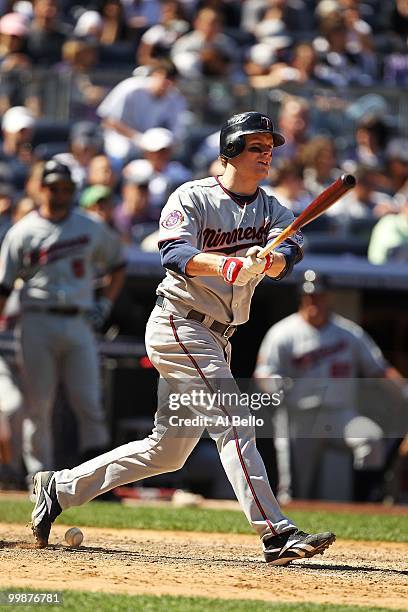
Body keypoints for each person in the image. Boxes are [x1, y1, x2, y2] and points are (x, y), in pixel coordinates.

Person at [29, 111, 335, 566]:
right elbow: (174, 253)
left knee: (167, 451)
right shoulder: (192, 196)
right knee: (235, 421)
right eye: (256, 145)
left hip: (218, 336)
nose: (267, 152)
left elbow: (289, 247)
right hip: (179, 324)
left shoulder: (272, 207)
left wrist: (270, 262)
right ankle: (275, 532)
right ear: (230, 150)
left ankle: (61, 488)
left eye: (270, 145)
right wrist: (226, 264)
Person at [0, 160, 126, 482]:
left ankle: (98, 478)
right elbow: (3, 286)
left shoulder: (89, 227)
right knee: (38, 403)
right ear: (41, 188)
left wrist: (106, 304)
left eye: (66, 188)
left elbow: (118, 264)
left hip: (79, 320)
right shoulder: (23, 231)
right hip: (37, 320)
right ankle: (39, 475)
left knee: (89, 400)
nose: (60, 194)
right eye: (54, 187)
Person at [254, 270, 405, 502]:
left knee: (370, 439)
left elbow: (378, 368)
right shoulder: (283, 332)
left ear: (329, 297)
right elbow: (263, 372)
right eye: (310, 296)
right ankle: (291, 528)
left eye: (320, 296)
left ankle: (367, 503)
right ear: (302, 298)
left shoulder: (348, 333)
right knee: (294, 488)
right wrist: (274, 386)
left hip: (340, 414)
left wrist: (403, 389)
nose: (315, 301)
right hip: (300, 417)